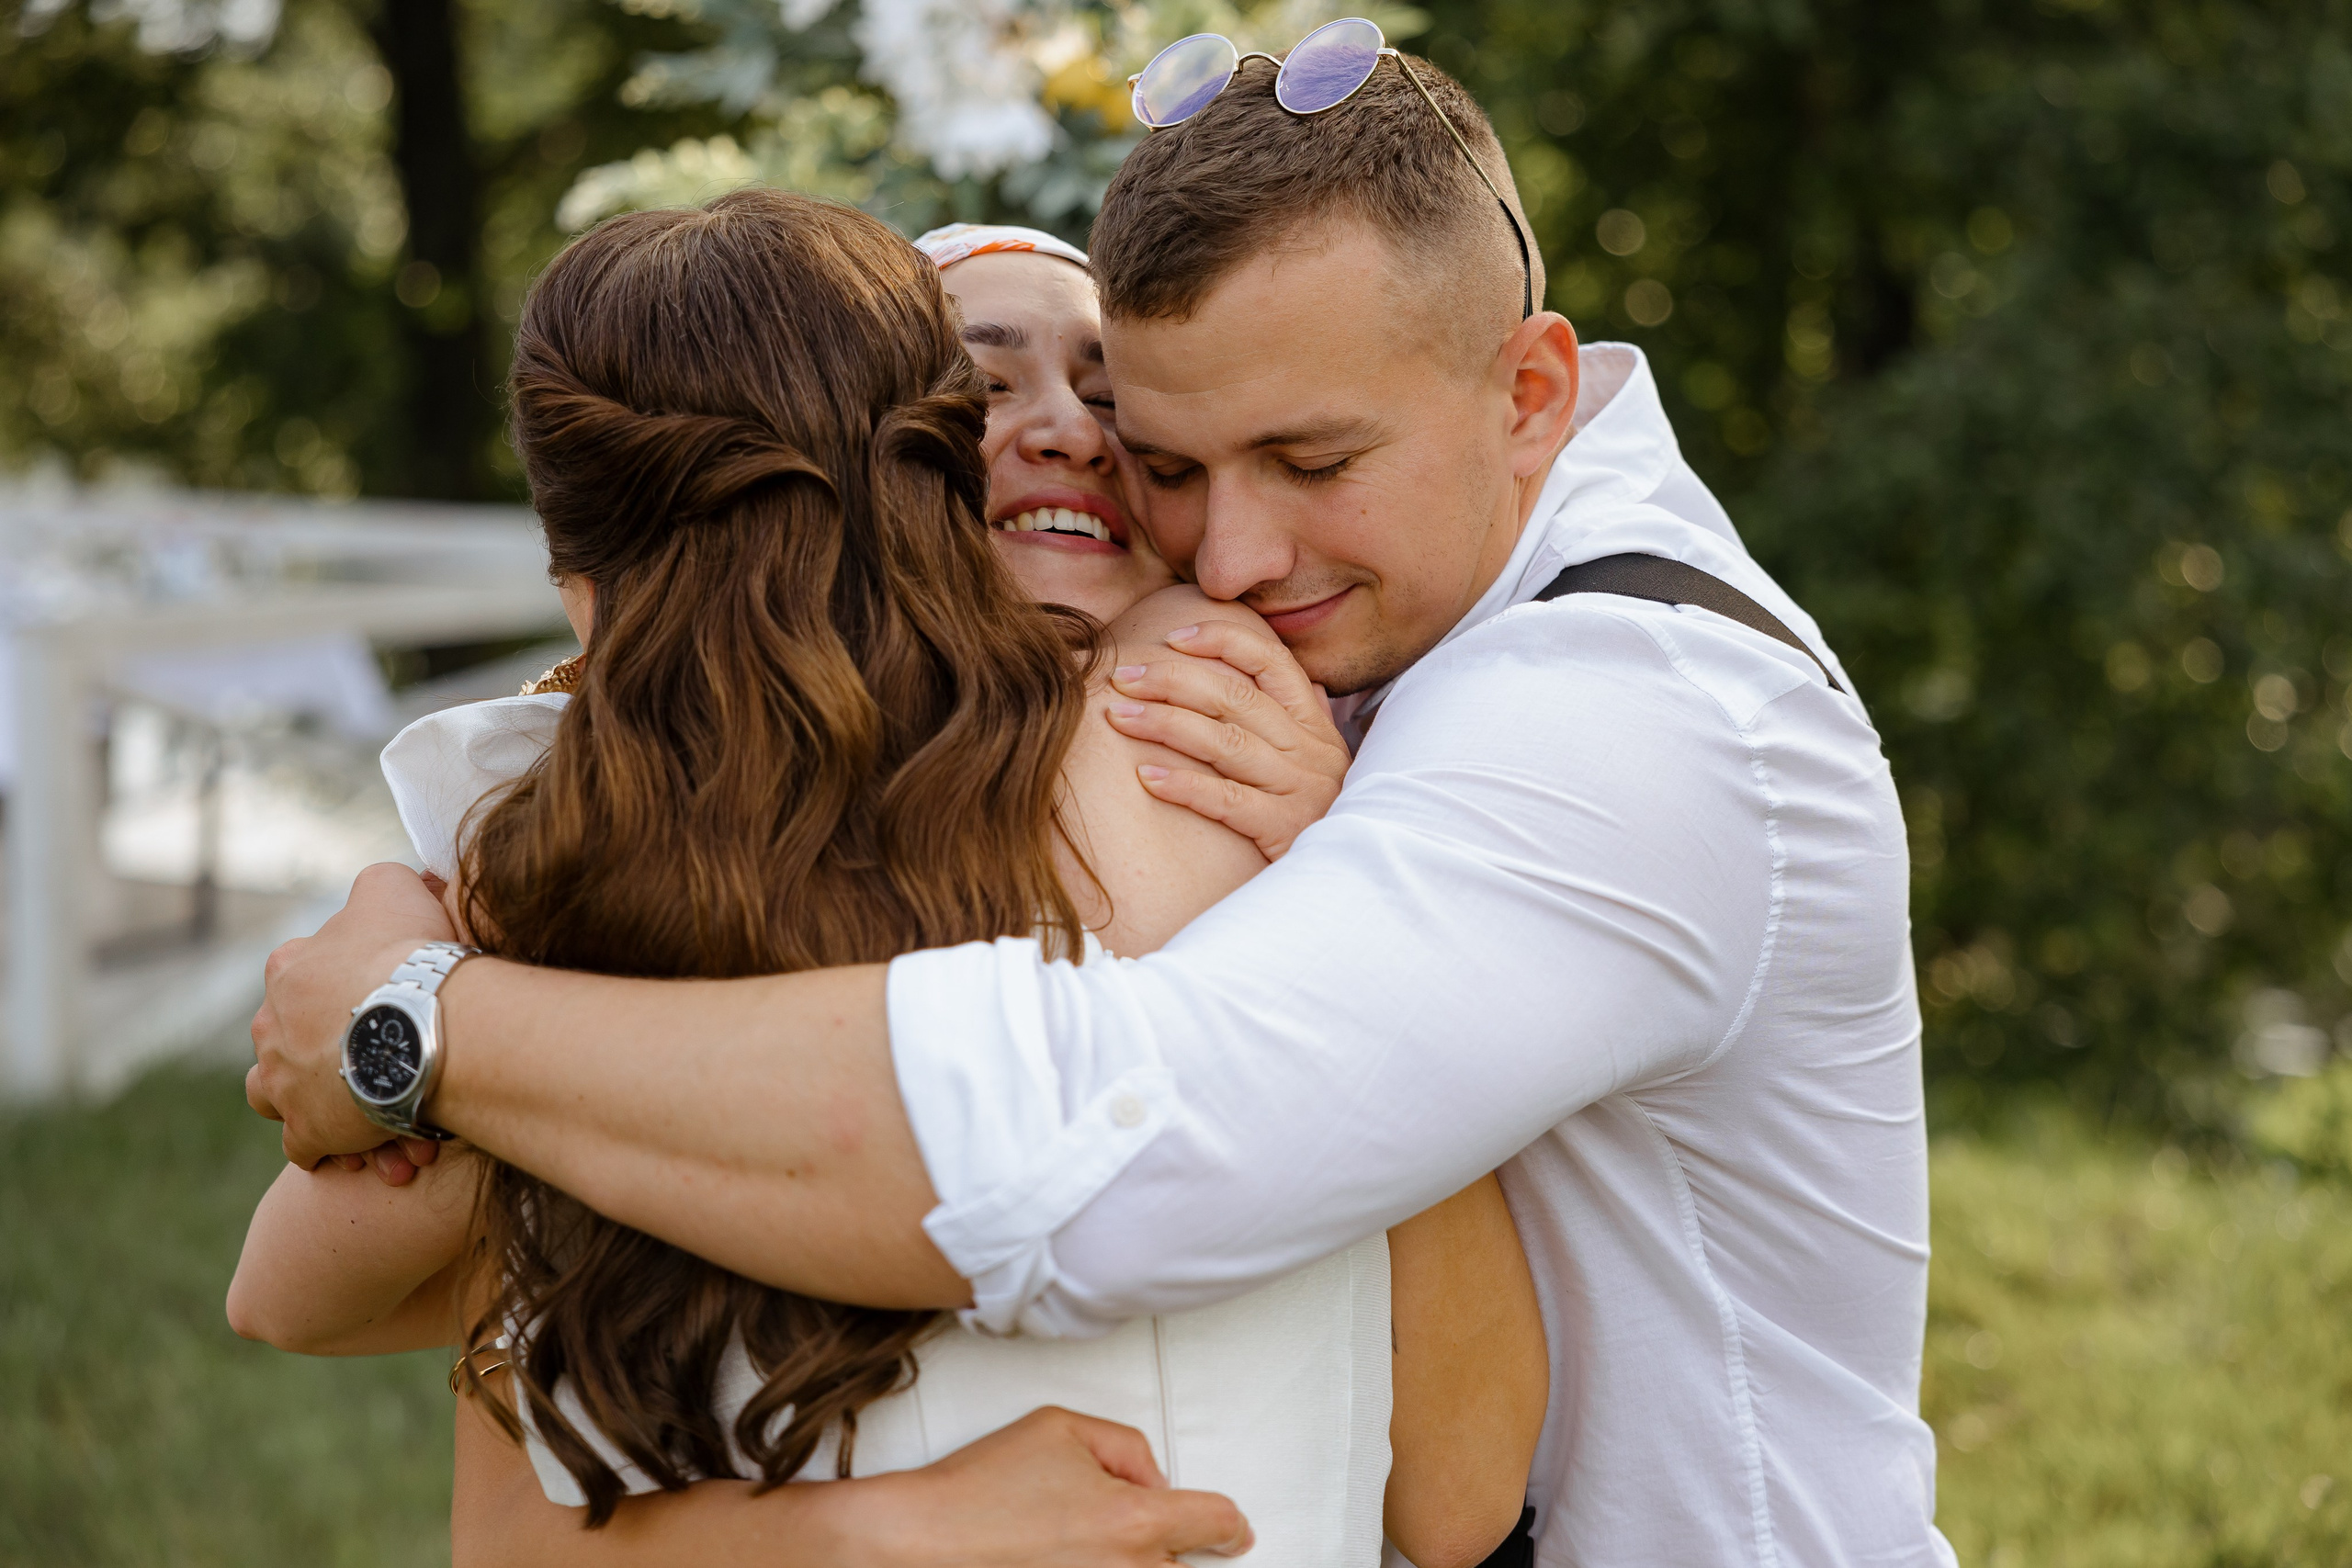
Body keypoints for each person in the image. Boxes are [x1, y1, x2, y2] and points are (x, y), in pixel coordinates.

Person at [250, 41, 1955, 1567]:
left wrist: (430, 1024)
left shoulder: (1591, 724)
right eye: (1164, 454)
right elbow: (341, 1318)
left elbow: (1108, 1173)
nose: (1229, 551)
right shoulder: (612, 854)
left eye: (1308, 461)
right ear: (882, 484)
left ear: (1528, 401)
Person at [227, 191, 1544, 1567]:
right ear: (881, 474)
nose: (1073, 430)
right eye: (981, 387)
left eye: (1127, 417)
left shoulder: (1240, 786)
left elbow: (1460, 1488)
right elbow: (355, 1359)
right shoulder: (572, 870)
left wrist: (421, 1007)